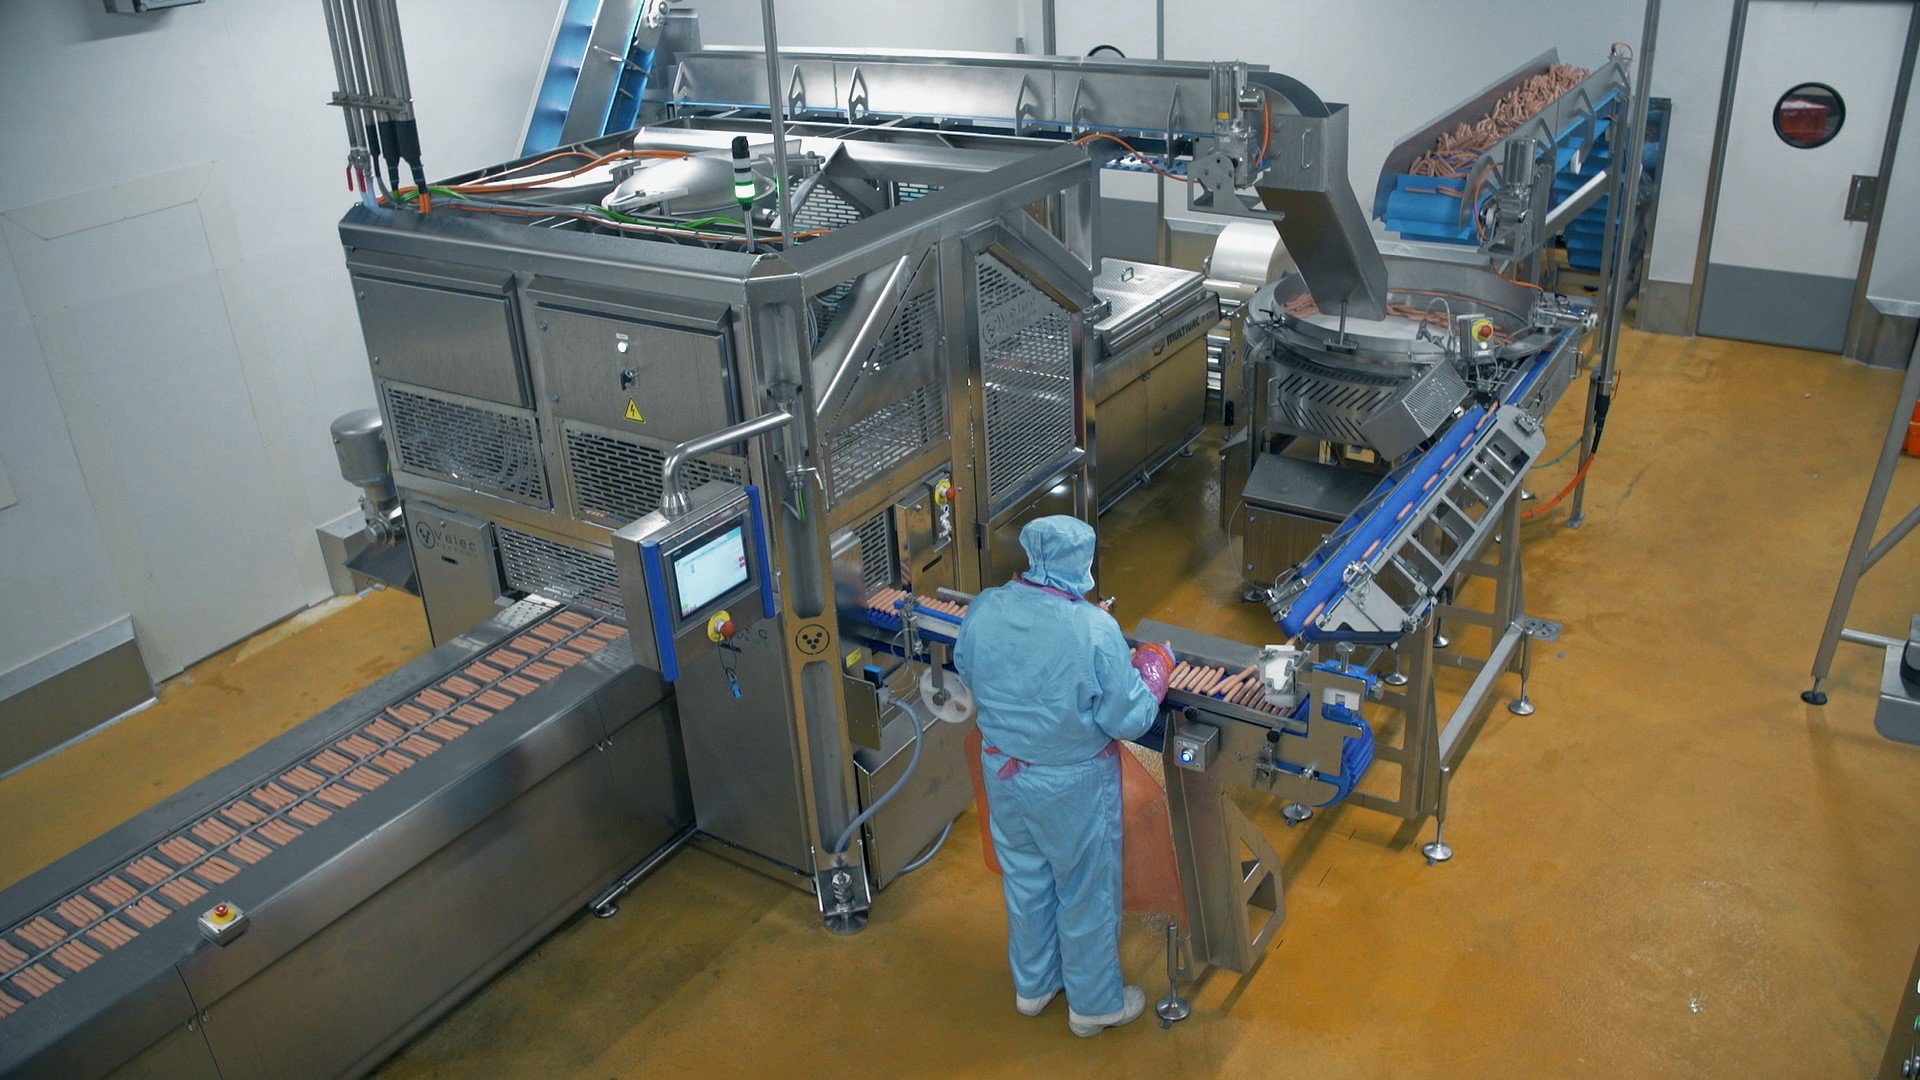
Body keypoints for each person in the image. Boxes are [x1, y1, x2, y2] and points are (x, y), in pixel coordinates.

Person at [953, 515, 1172, 1037]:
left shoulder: (985, 607)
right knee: (1085, 889)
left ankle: (1034, 987)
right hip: (1072, 784)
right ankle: (1094, 1004)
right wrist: (1153, 674)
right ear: (1083, 562)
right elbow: (1127, 718)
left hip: (1003, 772)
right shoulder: (1092, 628)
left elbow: (968, 667)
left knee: (1026, 881)